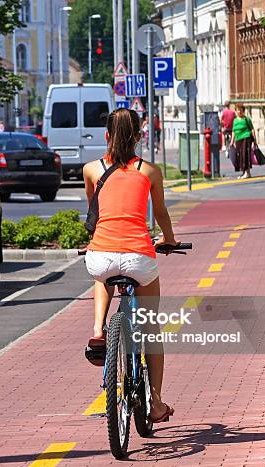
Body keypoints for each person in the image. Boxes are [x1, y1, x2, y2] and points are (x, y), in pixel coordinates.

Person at [82, 108, 179, 423]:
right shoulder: (149, 171)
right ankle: (157, 403)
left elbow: (95, 213)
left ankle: (98, 329)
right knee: (151, 328)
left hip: (102, 255)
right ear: (139, 136)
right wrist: (169, 240)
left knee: (103, 271)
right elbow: (161, 212)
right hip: (139, 256)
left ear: (106, 136)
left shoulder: (91, 169)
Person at [230, 104, 255, 179]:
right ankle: (245, 173)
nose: (239, 111)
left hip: (246, 138)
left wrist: (255, 140)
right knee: (240, 156)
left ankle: (247, 172)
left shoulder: (246, 119)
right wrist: (232, 141)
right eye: (237, 110)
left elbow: (252, 129)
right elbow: (233, 131)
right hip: (238, 139)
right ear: (235, 111)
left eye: (240, 110)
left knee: (245, 155)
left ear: (243, 111)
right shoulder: (235, 120)